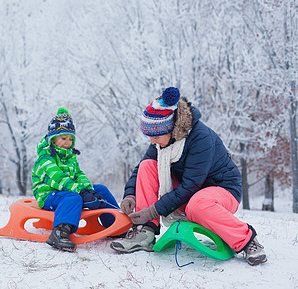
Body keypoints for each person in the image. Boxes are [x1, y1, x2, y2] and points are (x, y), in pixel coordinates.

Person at [110, 87, 267, 266]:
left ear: (170, 128)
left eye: (155, 137)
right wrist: (130, 195)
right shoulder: (162, 141)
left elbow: (191, 185)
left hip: (222, 191)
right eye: (149, 137)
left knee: (197, 205)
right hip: (191, 192)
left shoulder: (201, 138)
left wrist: (153, 210)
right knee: (147, 166)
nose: (152, 142)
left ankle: (247, 241)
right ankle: (145, 231)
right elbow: (141, 169)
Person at [32, 107, 120, 252]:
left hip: (67, 191)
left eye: (71, 138)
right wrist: (80, 192)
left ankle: (115, 224)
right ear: (52, 139)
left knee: (100, 189)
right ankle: (59, 233)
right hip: (48, 195)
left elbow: (79, 174)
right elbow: (59, 179)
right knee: (73, 197)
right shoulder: (45, 159)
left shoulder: (69, 156)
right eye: (63, 138)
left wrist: (88, 190)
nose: (68, 142)